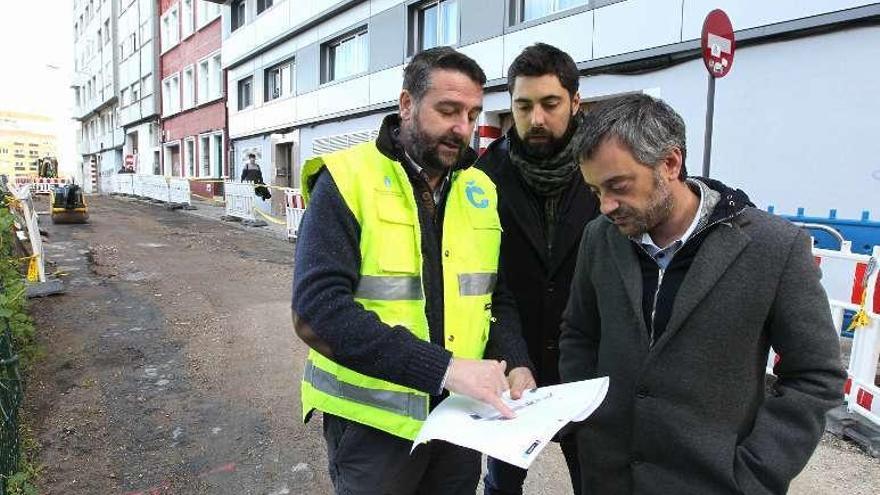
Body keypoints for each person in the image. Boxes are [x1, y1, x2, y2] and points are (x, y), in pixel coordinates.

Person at [559, 93, 846, 494]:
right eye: (594, 191)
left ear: (671, 163)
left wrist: (754, 475)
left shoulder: (773, 247)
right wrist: (584, 424)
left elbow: (816, 376)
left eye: (618, 186)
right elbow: (579, 334)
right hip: (607, 478)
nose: (606, 206)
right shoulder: (599, 238)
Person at [292, 46, 534, 495]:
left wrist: (516, 362)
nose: (462, 128)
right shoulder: (347, 179)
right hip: (373, 430)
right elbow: (317, 311)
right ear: (406, 104)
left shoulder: (479, 188)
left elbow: (493, 296)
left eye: (472, 113)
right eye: (448, 110)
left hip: (462, 419)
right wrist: (443, 369)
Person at [475, 43, 598, 495]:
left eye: (550, 104)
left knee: (598, 483)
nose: (537, 119)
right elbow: (483, 282)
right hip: (513, 372)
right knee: (502, 485)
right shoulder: (482, 178)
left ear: (576, 101)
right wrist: (512, 357)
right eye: (523, 106)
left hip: (589, 371)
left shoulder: (604, 168)